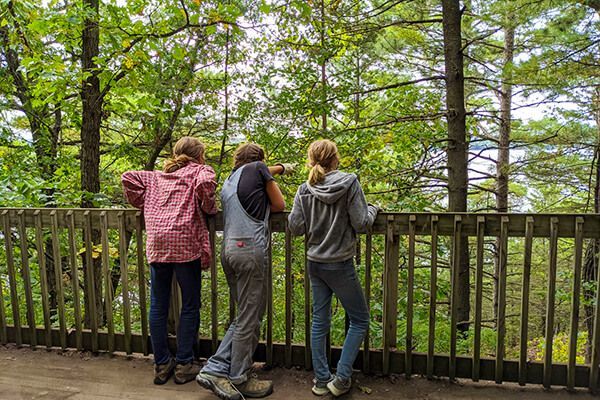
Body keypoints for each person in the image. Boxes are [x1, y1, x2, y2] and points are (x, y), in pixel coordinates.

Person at [196, 143, 294, 400]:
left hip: (228, 250)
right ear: (260, 160)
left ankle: (221, 368)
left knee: (245, 316)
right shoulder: (259, 169)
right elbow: (279, 205)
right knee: (249, 317)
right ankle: (234, 375)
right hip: (249, 249)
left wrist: (280, 169)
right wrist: (276, 174)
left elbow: (263, 173)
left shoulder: (231, 180)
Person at [121, 136, 217, 385]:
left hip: (158, 243)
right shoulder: (199, 170)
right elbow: (207, 183)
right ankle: (184, 363)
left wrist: (142, 202)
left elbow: (127, 177)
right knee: (190, 304)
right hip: (185, 243)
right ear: (199, 155)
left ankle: (162, 363)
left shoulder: (155, 177)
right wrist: (208, 206)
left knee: (158, 304)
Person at [288, 139, 378, 397]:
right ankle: (341, 379)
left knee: (319, 321)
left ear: (312, 160)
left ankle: (320, 380)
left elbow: (295, 228)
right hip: (340, 263)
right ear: (335, 158)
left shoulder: (305, 188)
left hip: (315, 263)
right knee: (360, 319)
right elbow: (361, 223)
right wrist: (373, 209)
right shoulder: (349, 183)